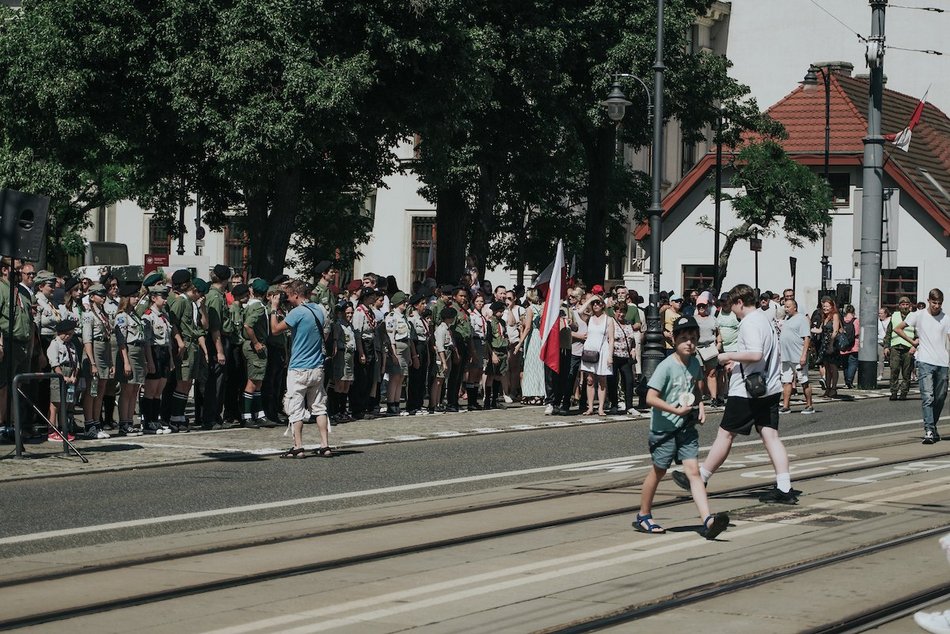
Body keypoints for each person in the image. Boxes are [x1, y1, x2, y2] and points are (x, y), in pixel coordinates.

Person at [673, 284, 798, 504]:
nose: (733, 311)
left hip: (747, 392)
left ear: (740, 302)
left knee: (725, 434)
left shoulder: (750, 322)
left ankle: (701, 477)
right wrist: (737, 363)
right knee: (771, 436)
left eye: (734, 307)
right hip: (769, 387)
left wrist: (725, 356)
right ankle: (785, 487)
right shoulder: (764, 320)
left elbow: (756, 353)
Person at [635, 315, 729, 539]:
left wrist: (700, 406)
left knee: (694, 472)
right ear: (674, 340)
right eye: (684, 338)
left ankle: (708, 520)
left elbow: (696, 388)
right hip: (664, 430)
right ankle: (644, 515)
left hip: (686, 428)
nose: (690, 343)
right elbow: (650, 397)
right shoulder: (666, 367)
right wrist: (674, 410)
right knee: (658, 471)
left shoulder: (695, 363)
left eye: (694, 339)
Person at [270, 279, 332, 458]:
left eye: (289, 296)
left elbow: (275, 329)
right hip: (317, 366)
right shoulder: (320, 310)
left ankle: (298, 446)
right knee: (319, 407)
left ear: (296, 295)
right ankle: (325, 444)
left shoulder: (297, 313)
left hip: (298, 367)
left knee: (295, 407)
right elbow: (326, 333)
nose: (287, 299)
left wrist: (274, 307)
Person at [895, 288, 950, 444]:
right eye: (934, 303)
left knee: (940, 397)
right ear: (928, 301)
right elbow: (898, 328)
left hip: (942, 362)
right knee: (928, 397)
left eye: (939, 303)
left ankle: (932, 426)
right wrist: (913, 342)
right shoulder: (918, 315)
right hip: (925, 361)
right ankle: (929, 430)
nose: (937, 306)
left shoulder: (946, 319)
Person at [114, 289, 152, 436]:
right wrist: (126, 362)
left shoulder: (134, 315)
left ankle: (129, 421)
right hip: (129, 351)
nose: (136, 299)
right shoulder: (122, 316)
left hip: (139, 350)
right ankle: (124, 423)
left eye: (137, 296)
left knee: (135, 389)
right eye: (133, 296)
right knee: (127, 389)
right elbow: (121, 341)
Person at [80, 283, 113, 439]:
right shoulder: (88, 315)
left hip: (104, 349)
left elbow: (108, 337)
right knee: (92, 389)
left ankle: (97, 422)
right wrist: (92, 362)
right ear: (92, 297)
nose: (103, 297)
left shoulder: (104, 314)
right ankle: (89, 423)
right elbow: (87, 339)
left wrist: (111, 361)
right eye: (99, 294)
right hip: (93, 351)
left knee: (101, 389)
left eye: (103, 294)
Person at [142, 285, 176, 434]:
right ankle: (148, 422)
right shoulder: (148, 316)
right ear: (153, 298)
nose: (165, 300)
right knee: (151, 389)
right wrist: (149, 361)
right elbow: (148, 342)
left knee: (159, 390)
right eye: (162, 297)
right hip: (154, 352)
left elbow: (168, 339)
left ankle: (155, 420)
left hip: (164, 352)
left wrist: (171, 360)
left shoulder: (165, 316)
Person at [240, 279, 270, 428]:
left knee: (258, 380)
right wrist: (256, 342)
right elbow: (248, 325)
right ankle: (246, 416)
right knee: (252, 381)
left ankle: (259, 414)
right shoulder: (258, 307)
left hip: (253, 344)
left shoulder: (251, 305)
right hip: (255, 345)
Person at [578, 294, 615, 416]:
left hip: (603, 351)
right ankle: (590, 407)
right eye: (594, 304)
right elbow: (580, 311)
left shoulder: (609, 320)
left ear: (603, 305)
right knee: (589, 380)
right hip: (590, 351)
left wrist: (610, 356)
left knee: (602, 380)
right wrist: (591, 299)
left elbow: (611, 339)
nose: (596, 305)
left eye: (598, 303)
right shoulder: (589, 318)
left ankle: (600, 407)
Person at [779, 299, 814, 415]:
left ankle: (809, 405)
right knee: (786, 381)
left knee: (803, 380)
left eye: (788, 307)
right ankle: (786, 406)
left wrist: (804, 355)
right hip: (786, 356)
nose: (786, 309)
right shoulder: (786, 319)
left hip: (798, 356)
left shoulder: (801, 319)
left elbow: (806, 338)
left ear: (795, 307)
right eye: (785, 306)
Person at [46, 320, 80, 442]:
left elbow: (76, 362)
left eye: (71, 334)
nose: (69, 336)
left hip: (70, 372)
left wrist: (74, 375)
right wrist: (62, 376)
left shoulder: (71, 345)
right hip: (59, 373)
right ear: (61, 333)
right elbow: (54, 363)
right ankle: (51, 430)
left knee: (66, 403)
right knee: (55, 402)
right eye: (68, 334)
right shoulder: (55, 344)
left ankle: (63, 429)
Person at [384, 291, 414, 416]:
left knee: (401, 376)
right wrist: (393, 353)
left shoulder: (403, 317)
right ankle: (391, 404)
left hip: (405, 346)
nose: (406, 304)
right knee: (395, 376)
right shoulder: (392, 316)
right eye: (403, 302)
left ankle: (397, 403)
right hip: (397, 347)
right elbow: (390, 336)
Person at [516, 287, 546, 405]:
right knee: (540, 366)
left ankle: (533, 393)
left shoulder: (529, 309)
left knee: (531, 366)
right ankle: (541, 393)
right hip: (540, 337)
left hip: (533, 338)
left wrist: (520, 343)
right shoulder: (541, 308)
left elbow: (528, 327)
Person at [329, 302, 357, 421]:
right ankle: (335, 411)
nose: (350, 315)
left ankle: (342, 410)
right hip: (342, 354)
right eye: (347, 313)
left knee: (347, 383)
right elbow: (335, 341)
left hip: (350, 355)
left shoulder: (350, 326)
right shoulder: (338, 325)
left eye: (351, 313)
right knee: (340, 382)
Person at [608, 302, 637, 415]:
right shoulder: (612, 323)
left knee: (629, 381)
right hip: (615, 355)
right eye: (619, 311)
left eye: (623, 311)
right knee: (613, 381)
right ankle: (614, 404)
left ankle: (629, 406)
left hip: (626, 357)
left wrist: (633, 349)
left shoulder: (629, 323)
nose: (621, 314)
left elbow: (632, 340)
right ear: (615, 312)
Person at [693, 294, 722, 406]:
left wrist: (718, 344)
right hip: (697, 348)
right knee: (698, 374)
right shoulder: (694, 319)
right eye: (699, 305)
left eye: (703, 305)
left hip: (710, 347)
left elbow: (718, 333)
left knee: (711, 373)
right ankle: (698, 398)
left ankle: (714, 398)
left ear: (707, 306)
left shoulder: (712, 319)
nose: (701, 307)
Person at [885, 296, 914, 401]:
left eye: (907, 304)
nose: (905, 306)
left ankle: (904, 393)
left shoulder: (913, 317)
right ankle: (893, 392)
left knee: (906, 373)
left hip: (908, 349)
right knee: (894, 370)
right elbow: (888, 333)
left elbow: (918, 334)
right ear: (899, 306)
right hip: (895, 347)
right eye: (903, 304)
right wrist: (886, 346)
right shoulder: (894, 316)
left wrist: (914, 346)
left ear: (910, 306)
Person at [812, 296, 842, 398]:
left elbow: (835, 331)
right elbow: (820, 330)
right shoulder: (824, 316)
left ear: (832, 306)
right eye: (824, 306)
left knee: (833, 367)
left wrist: (831, 344)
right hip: (824, 344)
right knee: (827, 367)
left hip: (831, 344)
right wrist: (809, 329)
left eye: (827, 306)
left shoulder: (835, 315)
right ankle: (828, 388)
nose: (825, 308)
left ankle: (834, 388)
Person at [406, 293, 430, 415]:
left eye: (425, 303)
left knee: (421, 377)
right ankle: (412, 405)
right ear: (416, 305)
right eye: (422, 304)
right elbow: (412, 339)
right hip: (417, 347)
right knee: (415, 377)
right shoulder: (412, 319)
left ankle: (419, 403)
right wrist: (414, 356)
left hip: (424, 346)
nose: (425, 306)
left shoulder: (422, 318)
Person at [430, 307, 456, 414]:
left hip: (448, 353)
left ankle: (438, 403)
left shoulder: (447, 328)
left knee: (441, 381)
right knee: (438, 380)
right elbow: (440, 347)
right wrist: (444, 362)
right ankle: (433, 404)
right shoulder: (441, 329)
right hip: (441, 356)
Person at [484, 301, 509, 410]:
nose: (501, 313)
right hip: (494, 351)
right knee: (490, 376)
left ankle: (495, 400)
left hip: (502, 350)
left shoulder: (502, 323)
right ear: (494, 311)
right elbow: (488, 340)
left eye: (502, 311)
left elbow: (505, 335)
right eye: (499, 311)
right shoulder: (490, 323)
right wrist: (492, 354)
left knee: (499, 376)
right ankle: (487, 401)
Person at [838, 304, 859, 388]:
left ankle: (846, 381)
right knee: (853, 363)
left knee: (845, 365)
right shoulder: (856, 320)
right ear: (853, 312)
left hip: (844, 345)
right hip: (854, 345)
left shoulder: (842, 320)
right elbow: (857, 332)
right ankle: (850, 381)